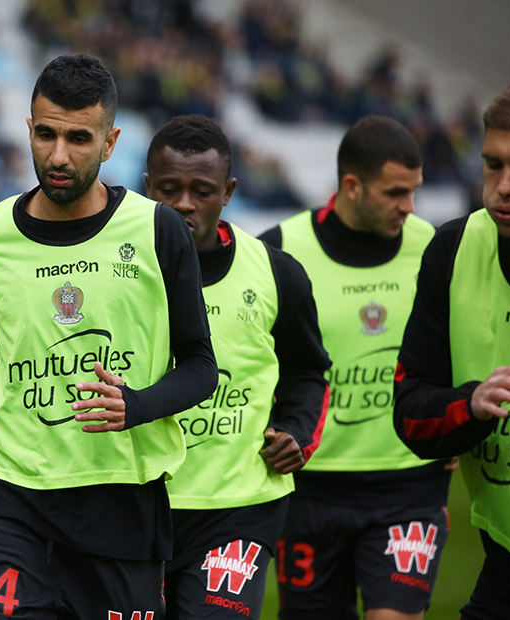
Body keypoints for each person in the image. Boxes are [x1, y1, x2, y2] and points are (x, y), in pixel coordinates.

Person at [0, 54, 218, 619]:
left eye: (79, 138)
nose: (58, 156)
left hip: (123, 501)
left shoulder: (157, 231)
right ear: (28, 130)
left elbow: (201, 366)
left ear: (110, 143)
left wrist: (136, 406)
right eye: (46, 134)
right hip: (15, 497)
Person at [259, 115, 449, 620]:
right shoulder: (277, 249)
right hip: (309, 486)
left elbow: (463, 344)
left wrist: (455, 422)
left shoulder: (437, 249)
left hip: (410, 485)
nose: (409, 206)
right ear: (351, 186)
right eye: (395, 193)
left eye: (414, 191)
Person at [144, 115, 330, 620]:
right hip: (136, 507)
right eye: (169, 189)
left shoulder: (276, 272)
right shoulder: (120, 273)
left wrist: (295, 430)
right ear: (147, 187)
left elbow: (307, 373)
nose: (185, 203)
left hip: (239, 509)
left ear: (227, 192)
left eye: (202, 190)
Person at [393, 82, 510, 620]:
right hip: (507, 557)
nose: (504, 187)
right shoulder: (454, 248)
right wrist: (471, 405)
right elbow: (410, 413)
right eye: (493, 165)